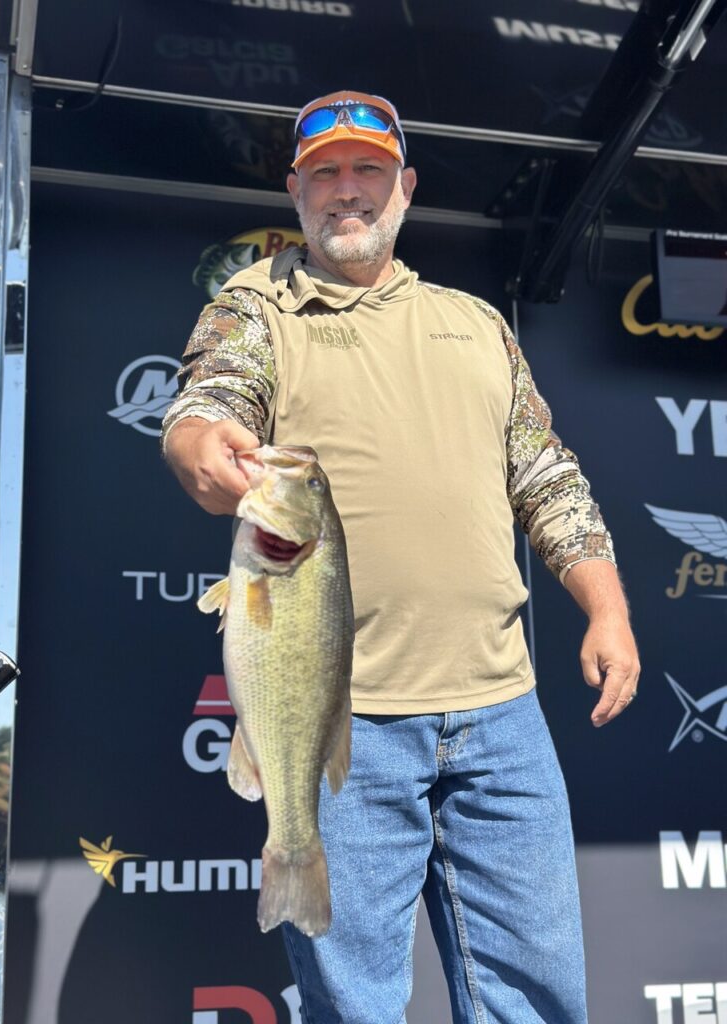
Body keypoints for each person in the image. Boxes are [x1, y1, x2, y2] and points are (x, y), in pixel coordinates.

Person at [162, 90, 641, 1024]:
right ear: (295, 191)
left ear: (406, 187)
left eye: (368, 170)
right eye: (326, 173)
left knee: (538, 1000)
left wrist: (608, 607)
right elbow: (207, 402)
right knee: (356, 1006)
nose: (348, 190)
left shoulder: (477, 324)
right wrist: (198, 444)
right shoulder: (257, 307)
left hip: (502, 715)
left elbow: (547, 477)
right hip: (347, 719)